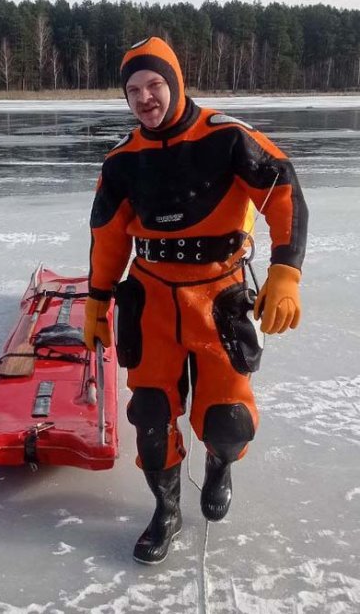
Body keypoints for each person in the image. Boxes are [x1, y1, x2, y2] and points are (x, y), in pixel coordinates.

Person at [82, 37, 307, 564]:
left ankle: (220, 465)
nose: (145, 98)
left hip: (219, 295)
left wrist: (286, 273)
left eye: (154, 84)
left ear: (176, 82)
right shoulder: (122, 161)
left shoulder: (227, 137)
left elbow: (286, 192)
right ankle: (166, 511)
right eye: (133, 90)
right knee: (152, 418)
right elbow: (108, 237)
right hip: (152, 300)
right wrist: (96, 303)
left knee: (228, 420)